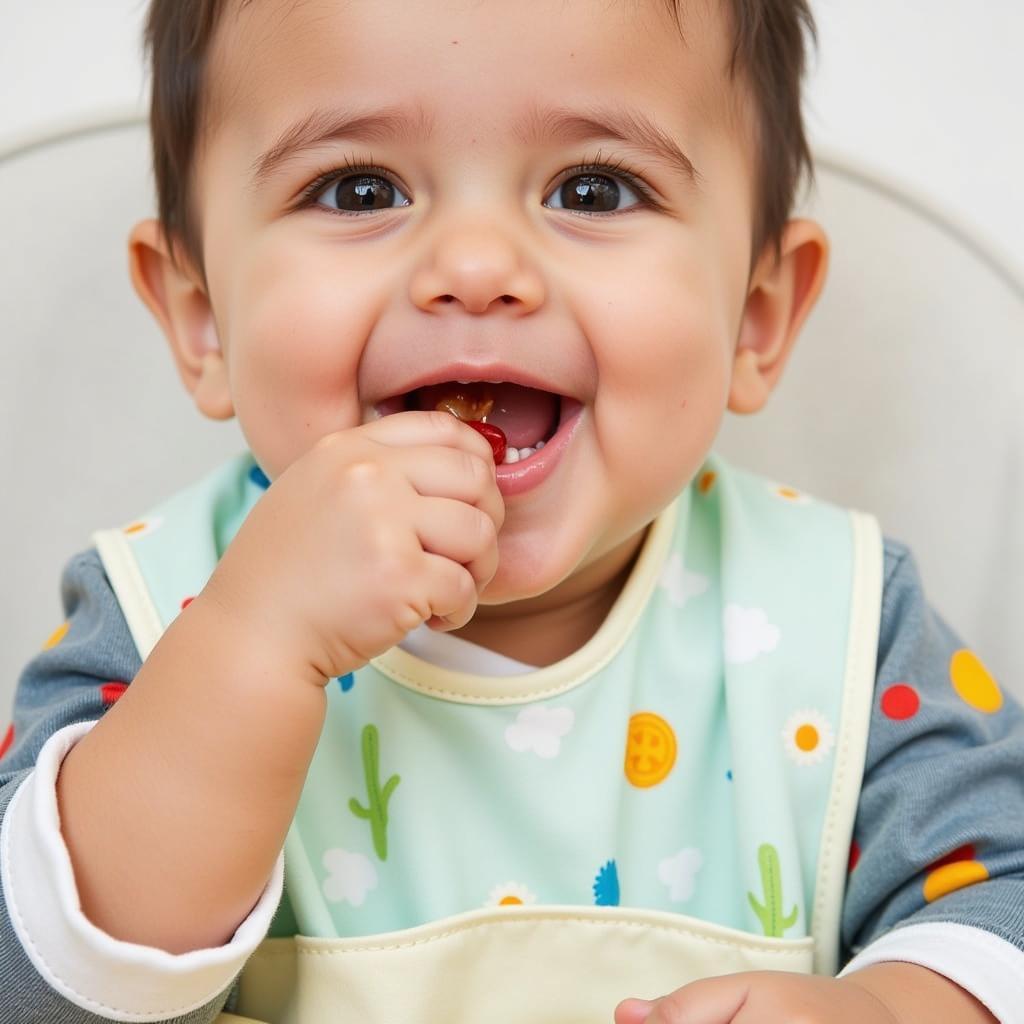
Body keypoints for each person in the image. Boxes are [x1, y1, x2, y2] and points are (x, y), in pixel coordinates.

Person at [0, 0, 1021, 1021]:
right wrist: (250, 647)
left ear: (755, 316)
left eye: (594, 187)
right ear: (200, 319)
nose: (476, 269)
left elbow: (1002, 895)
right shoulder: (154, 613)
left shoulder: (842, 629)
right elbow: (31, 980)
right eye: (359, 188)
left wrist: (892, 1007)